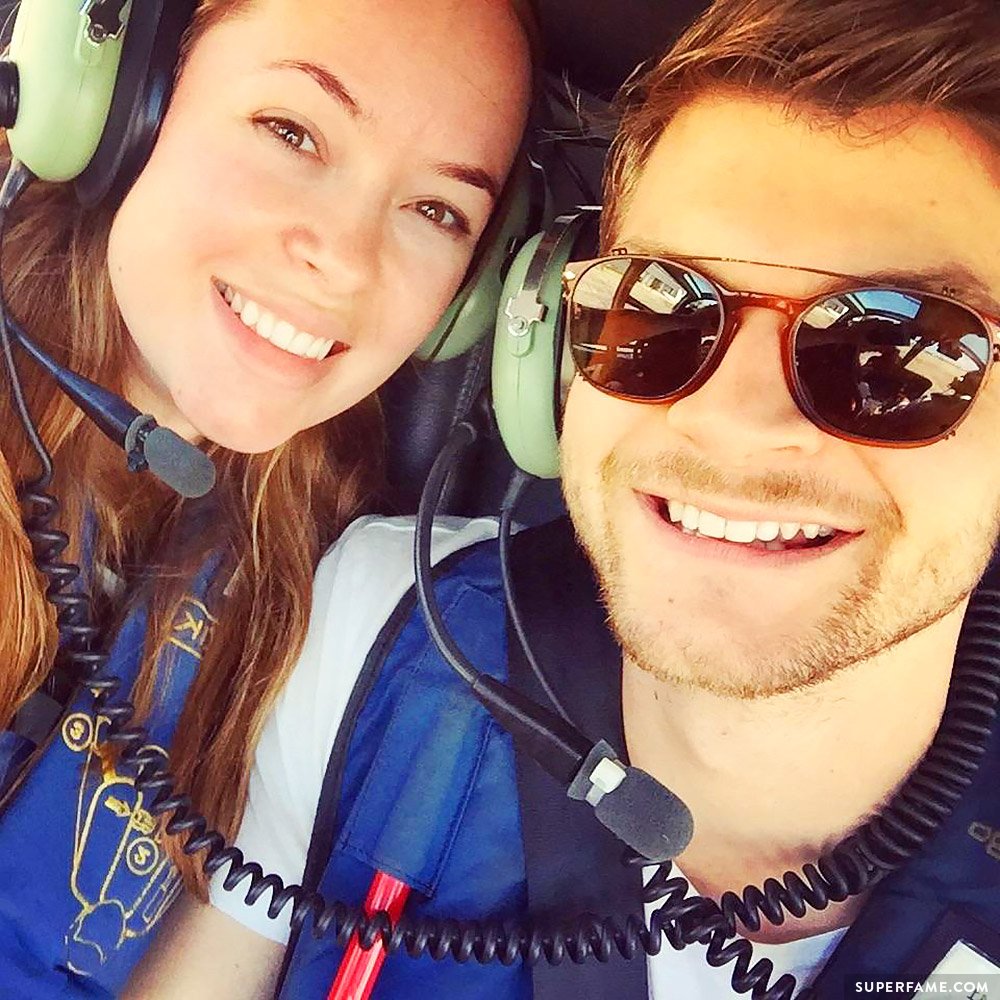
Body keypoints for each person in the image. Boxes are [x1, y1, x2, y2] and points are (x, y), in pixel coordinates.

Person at [129, 0, 1000, 996]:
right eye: (661, 311)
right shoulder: (378, 623)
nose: (735, 419)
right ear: (553, 357)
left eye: (893, 352)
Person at [0, 0, 533, 995]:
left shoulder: (326, 586)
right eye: (293, 132)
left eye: (436, 210)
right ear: (118, 100)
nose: (346, 256)